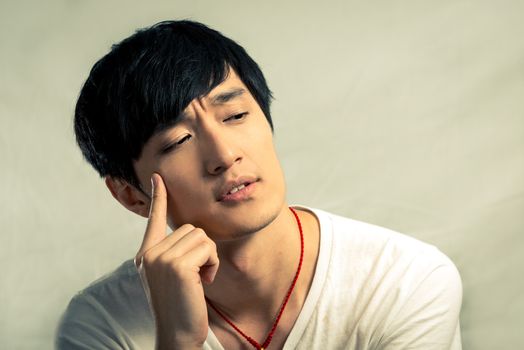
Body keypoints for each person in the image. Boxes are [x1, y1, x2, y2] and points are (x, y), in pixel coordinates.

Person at [56, 20, 462, 350]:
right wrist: (177, 341)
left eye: (234, 115)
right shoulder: (101, 325)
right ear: (131, 193)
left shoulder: (405, 280)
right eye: (178, 141)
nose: (224, 154)